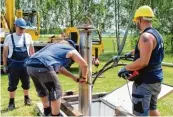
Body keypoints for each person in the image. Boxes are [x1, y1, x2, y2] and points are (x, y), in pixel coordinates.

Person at [118, 6, 164, 116]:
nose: (136, 24)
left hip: (145, 82)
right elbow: (149, 49)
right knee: (153, 109)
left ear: (140, 19)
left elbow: (143, 61)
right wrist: (132, 52)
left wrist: (125, 68)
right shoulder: (156, 34)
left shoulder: (145, 36)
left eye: (136, 21)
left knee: (140, 114)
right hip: (155, 80)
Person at [26, 39, 88, 116]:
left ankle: (47, 112)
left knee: (42, 90)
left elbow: (60, 69)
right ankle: (56, 115)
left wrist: (74, 77)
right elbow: (84, 65)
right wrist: (84, 78)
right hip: (44, 66)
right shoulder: (70, 49)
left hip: (30, 66)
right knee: (56, 91)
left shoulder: (53, 46)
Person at [3, 18, 35, 110]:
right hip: (13, 65)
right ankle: (11, 102)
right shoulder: (9, 37)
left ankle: (27, 98)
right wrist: (5, 65)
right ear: (15, 26)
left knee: (26, 83)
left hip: (26, 64)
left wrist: (33, 62)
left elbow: (31, 50)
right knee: (12, 84)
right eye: (20, 28)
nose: (22, 30)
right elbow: (5, 52)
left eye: (24, 28)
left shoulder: (28, 36)